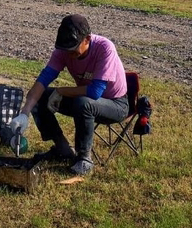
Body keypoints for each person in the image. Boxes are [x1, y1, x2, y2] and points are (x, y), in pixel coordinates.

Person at [8, 14, 128, 176]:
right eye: (66, 51)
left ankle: (84, 158)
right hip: (84, 101)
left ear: (87, 39)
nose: (69, 55)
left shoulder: (105, 48)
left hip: (116, 105)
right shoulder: (63, 51)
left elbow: (95, 91)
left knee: (84, 102)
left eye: (73, 51)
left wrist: (61, 91)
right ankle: (62, 149)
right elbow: (43, 79)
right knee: (42, 96)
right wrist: (25, 113)